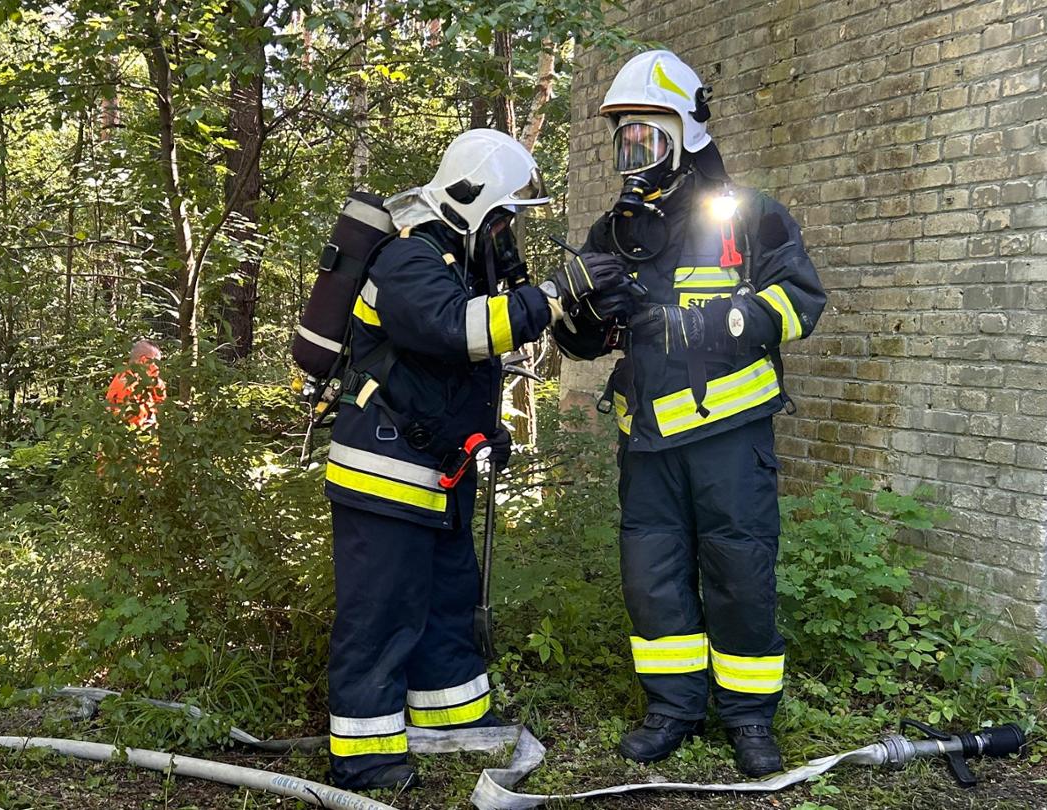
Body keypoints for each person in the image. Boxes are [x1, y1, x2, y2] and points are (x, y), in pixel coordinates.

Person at [550, 50, 827, 777]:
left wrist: (703, 325)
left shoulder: (751, 215)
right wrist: (577, 311)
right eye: (626, 141)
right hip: (645, 441)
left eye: (649, 138)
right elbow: (585, 338)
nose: (634, 155)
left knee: (741, 573)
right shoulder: (616, 229)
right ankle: (672, 708)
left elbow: (800, 303)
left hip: (729, 439)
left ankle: (747, 717)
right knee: (653, 577)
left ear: (687, 135)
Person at [321, 129, 594, 791]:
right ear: (473, 204)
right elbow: (459, 331)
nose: (507, 235)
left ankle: (451, 722)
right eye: (502, 219)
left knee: (446, 605)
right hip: (383, 475)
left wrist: (482, 432)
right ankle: (365, 756)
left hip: (436, 478)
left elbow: (448, 373)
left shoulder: (456, 268)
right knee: (381, 615)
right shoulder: (408, 260)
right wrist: (554, 292)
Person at [106, 339, 165, 429]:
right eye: (156, 363)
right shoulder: (125, 383)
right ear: (143, 360)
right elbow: (134, 421)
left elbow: (162, 403)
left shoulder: (146, 379)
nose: (157, 368)